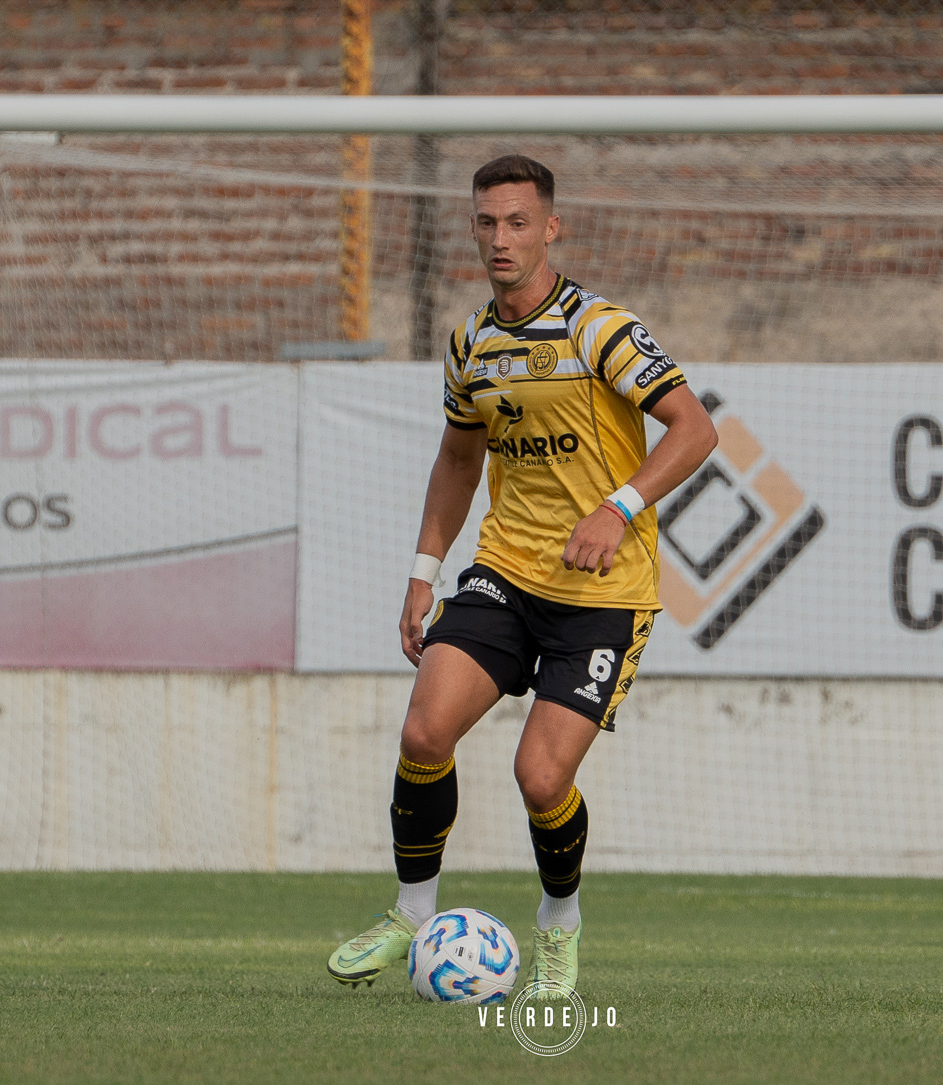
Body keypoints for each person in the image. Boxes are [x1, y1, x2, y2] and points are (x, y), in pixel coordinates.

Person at [326, 154, 717, 995]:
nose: (499, 240)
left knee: (541, 777)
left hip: (602, 598)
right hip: (506, 571)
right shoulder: (472, 341)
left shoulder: (600, 329)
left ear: (551, 227)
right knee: (425, 730)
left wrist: (616, 507)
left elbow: (694, 430)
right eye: (485, 223)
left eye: (516, 222)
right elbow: (459, 457)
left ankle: (558, 929)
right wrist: (424, 572)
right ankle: (412, 914)